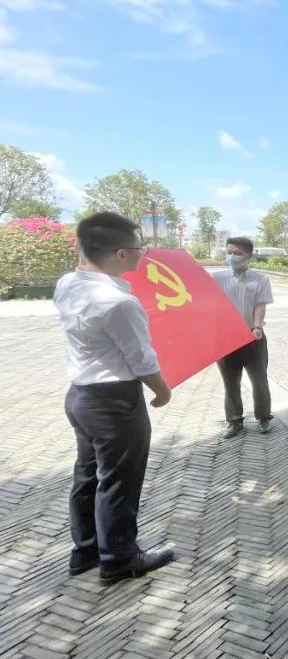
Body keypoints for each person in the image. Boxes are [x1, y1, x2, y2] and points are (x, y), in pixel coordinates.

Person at [54, 211, 175, 585]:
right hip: (115, 402)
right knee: (119, 481)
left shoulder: (67, 284)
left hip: (81, 396)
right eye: (140, 248)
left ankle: (86, 550)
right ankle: (119, 558)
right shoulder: (118, 302)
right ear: (121, 254)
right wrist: (162, 391)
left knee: (88, 475)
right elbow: (141, 359)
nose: (143, 254)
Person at [212, 237, 275, 439]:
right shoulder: (217, 278)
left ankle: (263, 417)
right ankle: (234, 421)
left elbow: (260, 305)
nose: (232, 257)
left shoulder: (260, 279)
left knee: (259, 380)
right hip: (226, 339)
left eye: (237, 253)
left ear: (249, 256)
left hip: (253, 337)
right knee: (230, 383)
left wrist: (257, 326)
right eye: (229, 252)